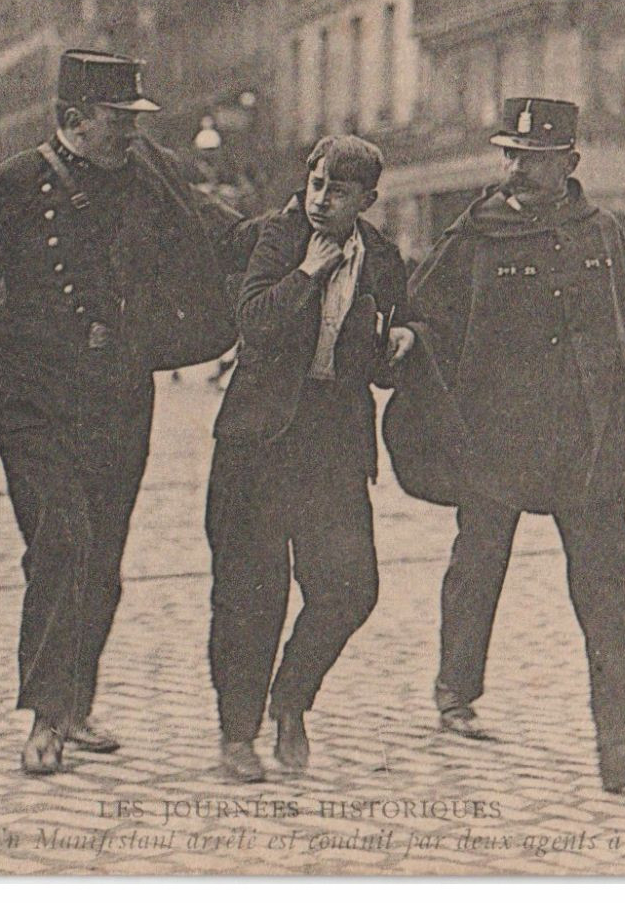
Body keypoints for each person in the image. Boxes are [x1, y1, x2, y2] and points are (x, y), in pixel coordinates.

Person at [0, 49, 249, 776]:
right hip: (29, 395)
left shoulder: (147, 169)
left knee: (102, 561)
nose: (130, 133)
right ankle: (45, 713)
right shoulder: (12, 185)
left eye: (134, 121)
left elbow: (217, 224)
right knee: (62, 541)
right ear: (72, 121)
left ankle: (77, 702)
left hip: (117, 391)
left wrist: (291, 238)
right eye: (117, 121)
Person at [383, 97, 625, 793]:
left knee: (607, 590)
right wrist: (406, 344)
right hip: (497, 441)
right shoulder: (475, 234)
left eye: (532, 158)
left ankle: (622, 742)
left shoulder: (601, 232)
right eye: (509, 154)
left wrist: (623, 437)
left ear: (568, 163)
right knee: (477, 563)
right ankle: (456, 689)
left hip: (585, 443)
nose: (515, 168)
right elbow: (423, 314)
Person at [205, 135, 414, 783]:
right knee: (249, 592)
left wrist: (404, 338)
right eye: (316, 184)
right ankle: (237, 735)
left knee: (350, 588)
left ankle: (290, 697)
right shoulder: (276, 237)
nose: (321, 200)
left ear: (367, 200)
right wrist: (308, 273)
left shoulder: (381, 258)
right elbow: (255, 323)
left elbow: (383, 348)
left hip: (333, 442)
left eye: (339, 191)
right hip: (258, 442)